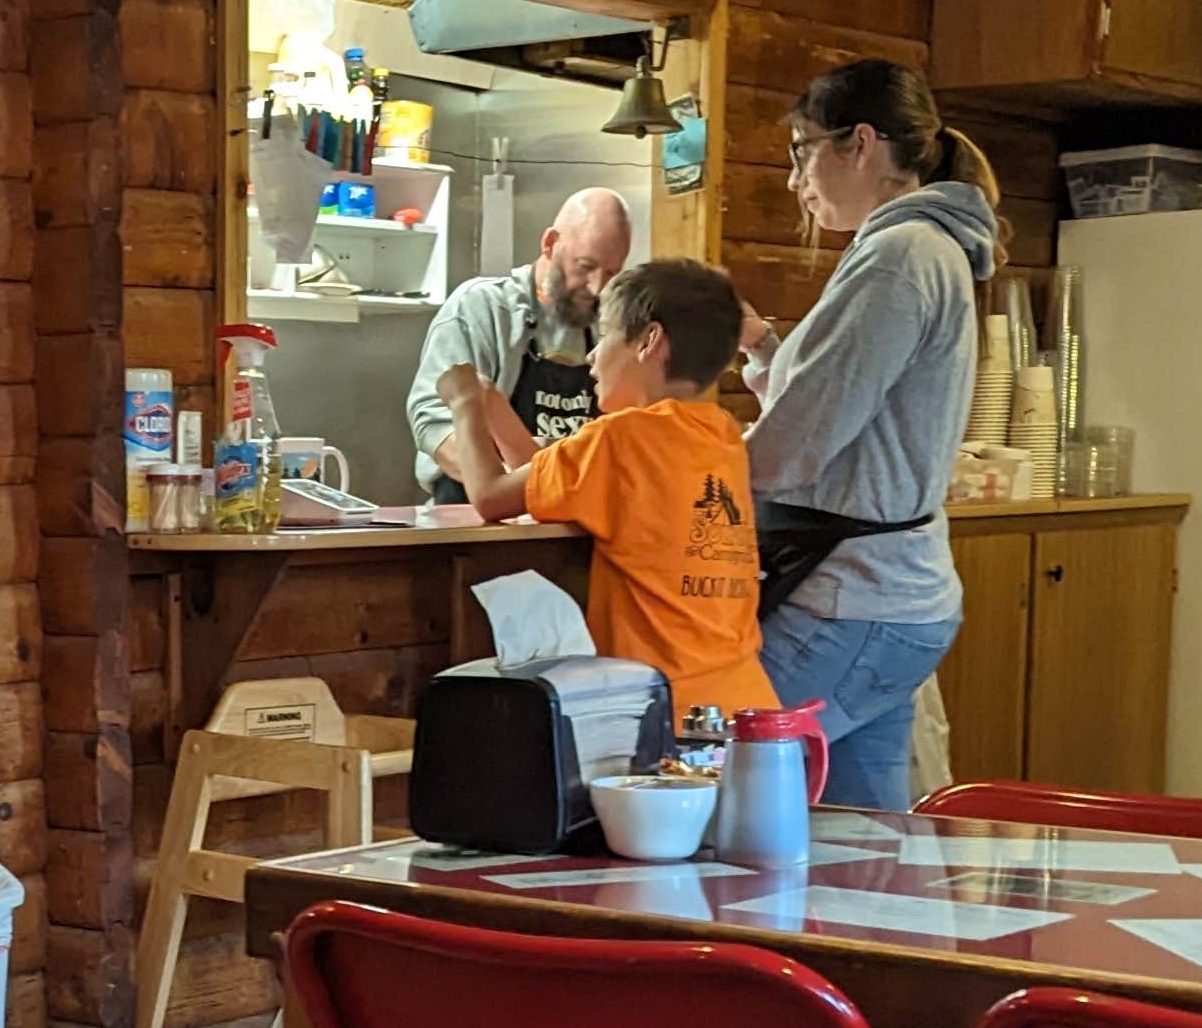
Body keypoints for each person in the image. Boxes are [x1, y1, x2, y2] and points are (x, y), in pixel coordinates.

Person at [739, 61, 999, 810]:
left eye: (800, 149)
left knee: (693, 778)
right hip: (896, 599)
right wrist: (765, 351)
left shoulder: (899, 256)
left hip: (853, 601)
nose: (794, 179)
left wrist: (679, 470)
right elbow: (849, 414)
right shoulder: (922, 248)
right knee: (867, 852)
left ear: (859, 144)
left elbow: (795, 448)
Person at [437, 254, 772, 713]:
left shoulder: (620, 438)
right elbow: (545, 474)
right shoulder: (721, 435)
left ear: (648, 340)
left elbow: (492, 498)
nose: (592, 355)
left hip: (662, 715)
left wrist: (463, 406)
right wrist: (492, 402)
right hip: (744, 703)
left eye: (607, 333)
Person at [405, 183, 632, 490]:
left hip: (570, 510)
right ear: (550, 243)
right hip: (475, 515)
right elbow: (433, 421)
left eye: (610, 273)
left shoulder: (609, 324)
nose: (596, 287)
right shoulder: (482, 308)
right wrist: (509, 481)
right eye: (586, 266)